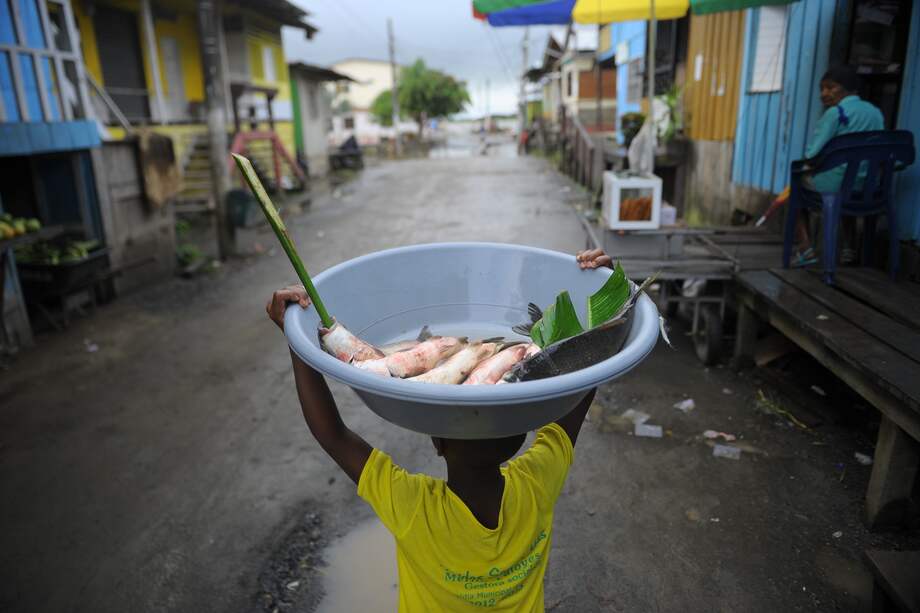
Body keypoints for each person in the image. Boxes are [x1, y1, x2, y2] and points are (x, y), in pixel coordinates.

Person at [265, 283, 597, 612]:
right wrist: (602, 289)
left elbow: (333, 436)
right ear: (522, 431)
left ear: (437, 442)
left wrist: (298, 342)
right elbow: (586, 375)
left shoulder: (414, 509)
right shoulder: (538, 485)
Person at [790, 64, 884, 266]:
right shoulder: (875, 113)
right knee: (848, 184)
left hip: (835, 186)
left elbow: (812, 154)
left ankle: (806, 249)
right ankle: (849, 249)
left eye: (831, 87)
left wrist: (804, 167)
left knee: (795, 190)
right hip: (868, 185)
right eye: (822, 89)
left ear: (848, 87)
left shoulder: (836, 113)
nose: (824, 94)